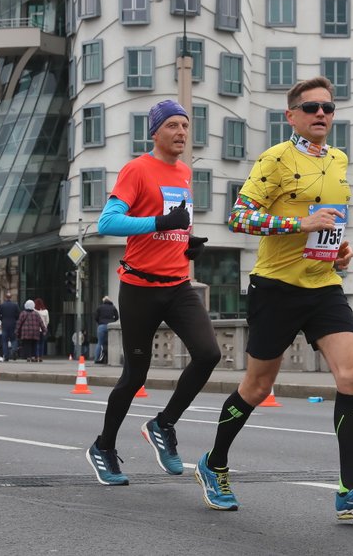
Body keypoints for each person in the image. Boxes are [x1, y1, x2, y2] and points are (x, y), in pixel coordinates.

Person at [193, 77, 353, 520]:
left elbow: (331, 221)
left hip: (323, 283)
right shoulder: (275, 159)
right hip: (276, 288)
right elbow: (239, 217)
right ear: (291, 116)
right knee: (257, 387)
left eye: (327, 107)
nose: (321, 114)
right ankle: (214, 464)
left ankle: (349, 490)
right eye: (310, 108)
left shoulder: (339, 160)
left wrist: (339, 250)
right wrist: (300, 225)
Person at [85, 99, 220, 486]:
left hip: (178, 285)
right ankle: (104, 447)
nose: (181, 132)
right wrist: (161, 221)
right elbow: (108, 221)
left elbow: (172, 226)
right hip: (140, 287)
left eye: (185, 126)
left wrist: (188, 241)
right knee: (135, 376)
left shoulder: (183, 173)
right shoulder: (137, 169)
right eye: (173, 126)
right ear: (155, 132)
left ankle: (164, 424)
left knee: (209, 354)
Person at [93, 296, 119, 364]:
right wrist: (112, 322)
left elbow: (96, 317)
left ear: (103, 301)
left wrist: (100, 322)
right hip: (111, 327)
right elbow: (117, 317)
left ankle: (96, 359)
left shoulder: (100, 307)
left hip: (101, 326)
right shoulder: (113, 307)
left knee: (99, 343)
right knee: (112, 344)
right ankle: (111, 360)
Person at [0, 292, 20, 362]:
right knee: (13, 339)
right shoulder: (15, 305)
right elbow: (18, 315)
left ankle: (6, 356)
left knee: (4, 341)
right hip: (13, 323)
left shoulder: (2, 305)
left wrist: (2, 318)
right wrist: (15, 319)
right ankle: (14, 350)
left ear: (5, 297)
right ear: (11, 297)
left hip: (4, 324)